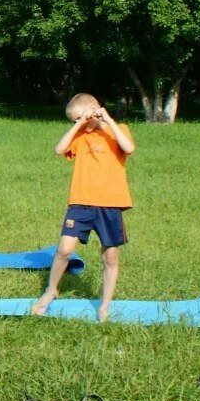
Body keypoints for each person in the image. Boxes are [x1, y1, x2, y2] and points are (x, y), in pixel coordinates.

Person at [31, 93, 136, 323]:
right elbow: (59, 150)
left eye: (80, 117)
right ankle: (51, 290)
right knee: (65, 249)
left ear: (95, 110)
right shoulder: (79, 135)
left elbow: (128, 148)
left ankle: (105, 305)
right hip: (81, 202)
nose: (78, 123)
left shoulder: (117, 130)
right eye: (74, 120)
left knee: (110, 257)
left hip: (110, 204)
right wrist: (79, 123)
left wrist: (107, 119)